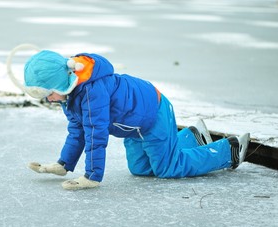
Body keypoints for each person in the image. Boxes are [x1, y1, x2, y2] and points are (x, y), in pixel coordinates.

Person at [22, 50, 250, 190]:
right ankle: (191, 137)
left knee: (167, 168)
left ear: (61, 82)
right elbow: (77, 132)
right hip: (134, 127)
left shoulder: (92, 94)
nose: (49, 99)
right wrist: (64, 165)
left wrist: (92, 176)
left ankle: (228, 151)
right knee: (139, 169)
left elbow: (96, 135)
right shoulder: (71, 96)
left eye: (47, 93)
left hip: (153, 116)